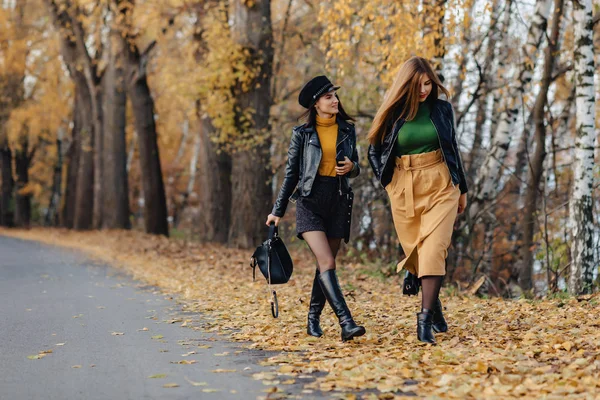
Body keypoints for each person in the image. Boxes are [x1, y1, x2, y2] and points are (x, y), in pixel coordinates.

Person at [367, 57, 468, 344]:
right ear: (406, 85)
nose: (424, 89)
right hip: (404, 185)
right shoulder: (393, 113)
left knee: (435, 247)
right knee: (416, 251)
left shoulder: (442, 109)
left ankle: (424, 320)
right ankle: (434, 308)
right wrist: (388, 183)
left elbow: (453, 148)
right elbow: (373, 150)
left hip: (441, 182)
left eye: (428, 83)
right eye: (418, 84)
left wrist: (462, 188)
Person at [266, 75, 366, 342]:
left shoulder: (347, 129)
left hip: (338, 201)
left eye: (335, 95)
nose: (335, 100)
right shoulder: (302, 134)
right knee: (327, 262)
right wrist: (277, 210)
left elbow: (356, 165)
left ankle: (313, 317)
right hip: (310, 202)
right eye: (328, 97)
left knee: (324, 266)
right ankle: (346, 323)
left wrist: (352, 168)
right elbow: (291, 174)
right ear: (316, 104)